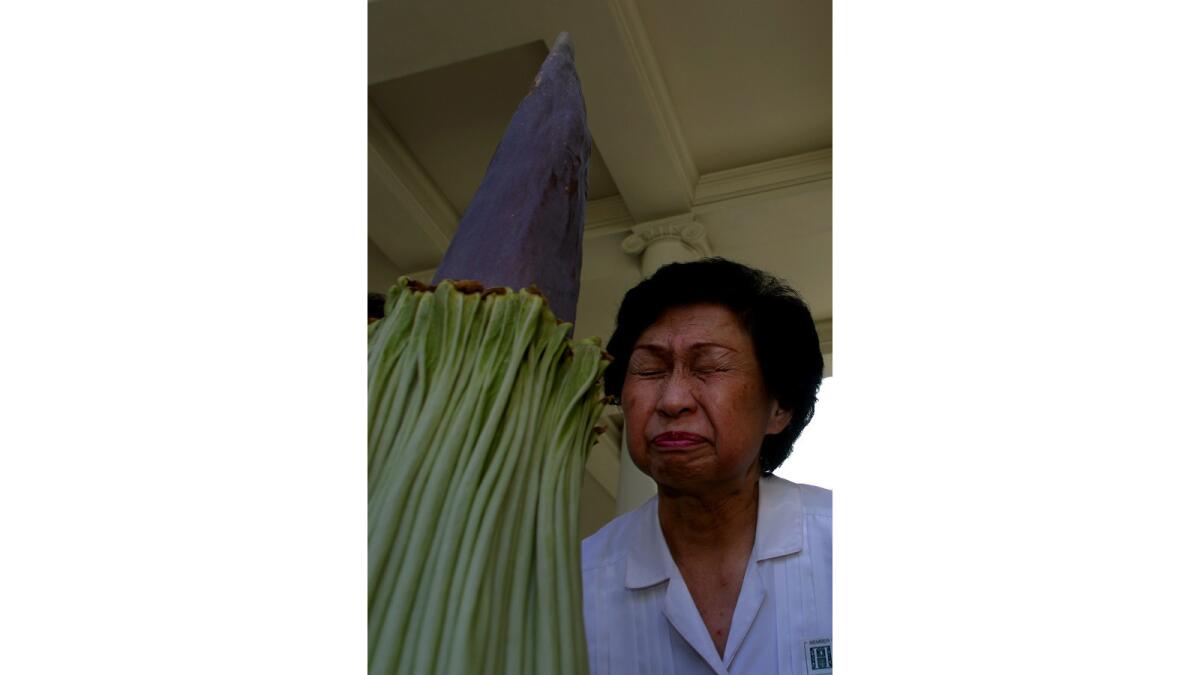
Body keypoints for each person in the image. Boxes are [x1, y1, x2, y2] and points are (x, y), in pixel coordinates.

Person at [581, 258, 830, 675]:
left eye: (710, 367)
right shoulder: (574, 586)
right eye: (649, 369)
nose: (672, 400)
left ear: (779, 407)